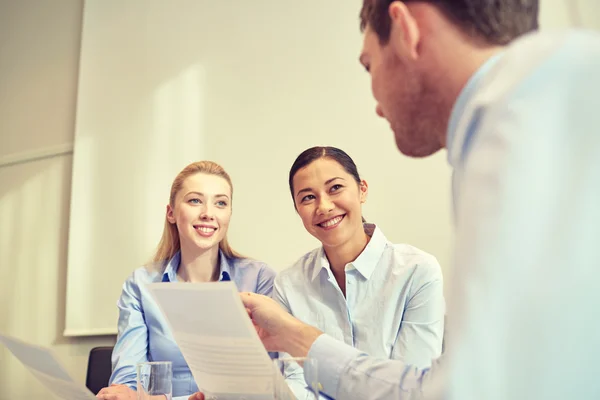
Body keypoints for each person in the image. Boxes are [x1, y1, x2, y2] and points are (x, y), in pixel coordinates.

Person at [191, 0, 600, 399]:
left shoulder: (520, 129)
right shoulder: (506, 123)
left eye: (369, 66)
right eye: (307, 197)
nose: (377, 107)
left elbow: (457, 389)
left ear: (405, 29)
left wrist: (296, 336)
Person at [96, 161, 276, 400]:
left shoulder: (259, 279)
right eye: (195, 200)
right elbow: (127, 384)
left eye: (220, 203)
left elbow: (267, 382)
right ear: (171, 213)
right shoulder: (141, 283)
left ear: (229, 214)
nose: (208, 214)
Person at [276, 146, 445, 397]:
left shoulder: (417, 272)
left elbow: (409, 388)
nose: (323, 206)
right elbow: (296, 381)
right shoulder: (288, 284)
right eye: (308, 197)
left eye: (335, 188)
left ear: (362, 190)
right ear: (297, 209)